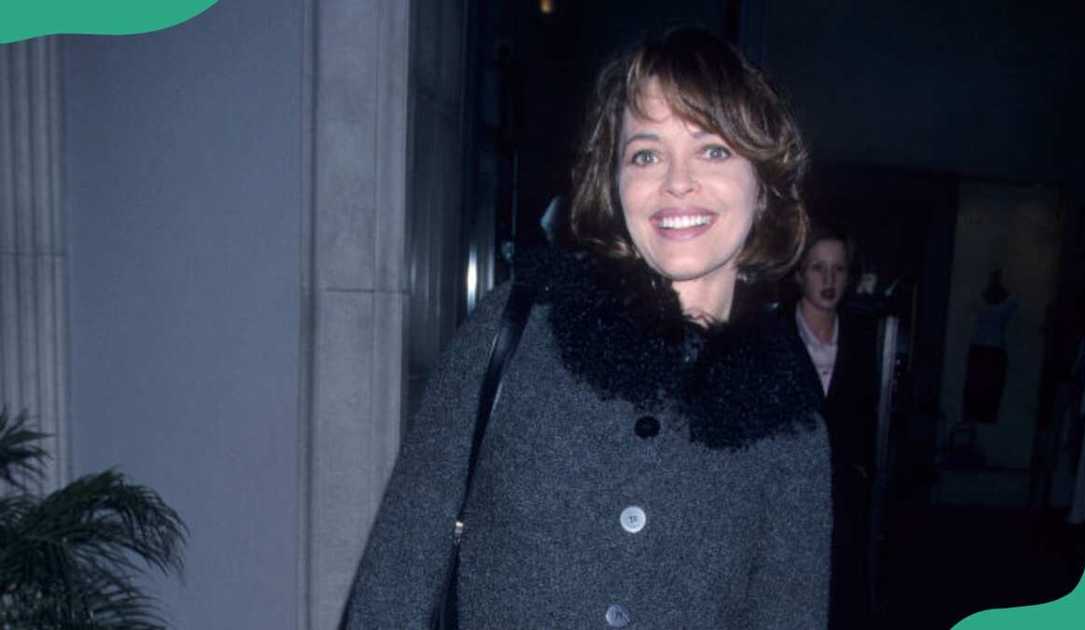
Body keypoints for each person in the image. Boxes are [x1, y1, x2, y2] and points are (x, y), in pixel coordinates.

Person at [345, 28, 831, 629]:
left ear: (762, 185)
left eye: (713, 150)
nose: (676, 181)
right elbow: (390, 590)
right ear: (615, 181)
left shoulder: (786, 416)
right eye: (646, 154)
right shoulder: (518, 329)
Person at [787, 226, 879, 629]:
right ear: (799, 273)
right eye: (818, 269)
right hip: (784, 494)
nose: (828, 281)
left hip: (843, 501)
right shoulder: (772, 338)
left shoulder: (863, 340)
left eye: (838, 270)